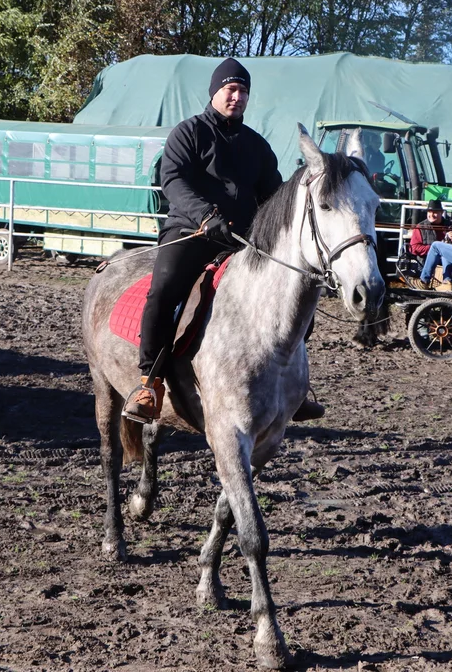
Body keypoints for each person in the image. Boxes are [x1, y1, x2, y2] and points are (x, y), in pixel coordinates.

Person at [124, 58, 324, 423]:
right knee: (164, 291)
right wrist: (204, 215)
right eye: (231, 89)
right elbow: (173, 180)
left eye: (243, 91)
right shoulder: (188, 133)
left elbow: (273, 197)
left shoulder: (257, 146)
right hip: (191, 231)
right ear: (215, 92)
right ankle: (148, 384)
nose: (237, 97)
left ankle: (294, 387)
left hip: (242, 241)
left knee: (297, 296)